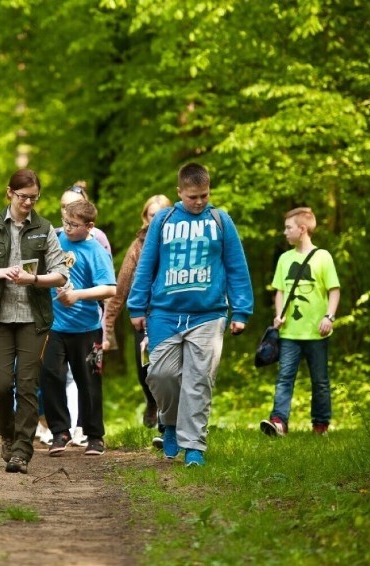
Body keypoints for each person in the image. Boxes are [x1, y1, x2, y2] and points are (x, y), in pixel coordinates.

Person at [128, 163, 253, 468]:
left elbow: (237, 266)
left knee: (199, 380)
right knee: (160, 374)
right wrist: (136, 305)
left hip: (208, 314)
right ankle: (169, 422)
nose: (199, 202)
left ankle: (194, 445)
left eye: (204, 196)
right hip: (164, 313)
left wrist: (241, 310)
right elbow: (147, 264)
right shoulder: (164, 220)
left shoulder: (220, 220)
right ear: (179, 192)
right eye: (193, 196)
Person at [0, 168, 68, 474]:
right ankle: (7, 434)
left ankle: (23, 450)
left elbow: (61, 274)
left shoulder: (45, 228)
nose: (29, 203)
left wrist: (33, 278)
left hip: (32, 319)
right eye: (24, 197)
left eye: (34, 198)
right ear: (10, 193)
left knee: (27, 385)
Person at [41, 200, 116, 457]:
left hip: (87, 328)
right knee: (51, 377)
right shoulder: (56, 241)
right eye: (65, 222)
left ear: (89, 226)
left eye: (74, 225)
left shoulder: (95, 250)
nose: (68, 228)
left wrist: (78, 295)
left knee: (89, 382)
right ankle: (59, 432)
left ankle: (94, 436)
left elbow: (109, 289)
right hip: (55, 327)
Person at [260, 207, 340, 437]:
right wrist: (278, 315)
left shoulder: (323, 257)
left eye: (288, 228)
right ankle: (279, 422)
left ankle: (320, 425)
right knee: (284, 379)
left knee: (320, 381)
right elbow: (280, 292)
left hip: (317, 332)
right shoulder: (285, 259)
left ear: (302, 229)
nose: (285, 232)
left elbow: (334, 290)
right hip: (289, 333)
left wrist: (329, 317)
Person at [103, 195, 172, 435]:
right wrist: (108, 324)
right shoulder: (138, 246)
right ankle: (151, 400)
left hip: (170, 314)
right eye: (152, 214)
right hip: (142, 317)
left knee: (167, 369)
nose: (157, 219)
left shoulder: (178, 241)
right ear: (146, 217)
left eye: (162, 213)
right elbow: (121, 287)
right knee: (144, 371)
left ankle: (167, 421)